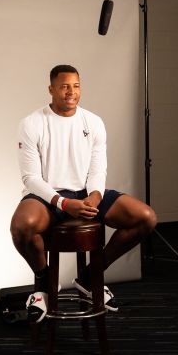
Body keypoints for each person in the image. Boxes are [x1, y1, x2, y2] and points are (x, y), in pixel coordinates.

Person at [10, 64, 157, 323]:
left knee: (145, 218)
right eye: (65, 86)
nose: (71, 92)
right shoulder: (32, 123)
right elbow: (30, 178)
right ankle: (44, 285)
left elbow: (97, 169)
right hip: (49, 196)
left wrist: (96, 196)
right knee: (22, 226)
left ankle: (90, 278)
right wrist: (64, 203)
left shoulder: (93, 122)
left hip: (86, 192)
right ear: (51, 89)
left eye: (76, 86)